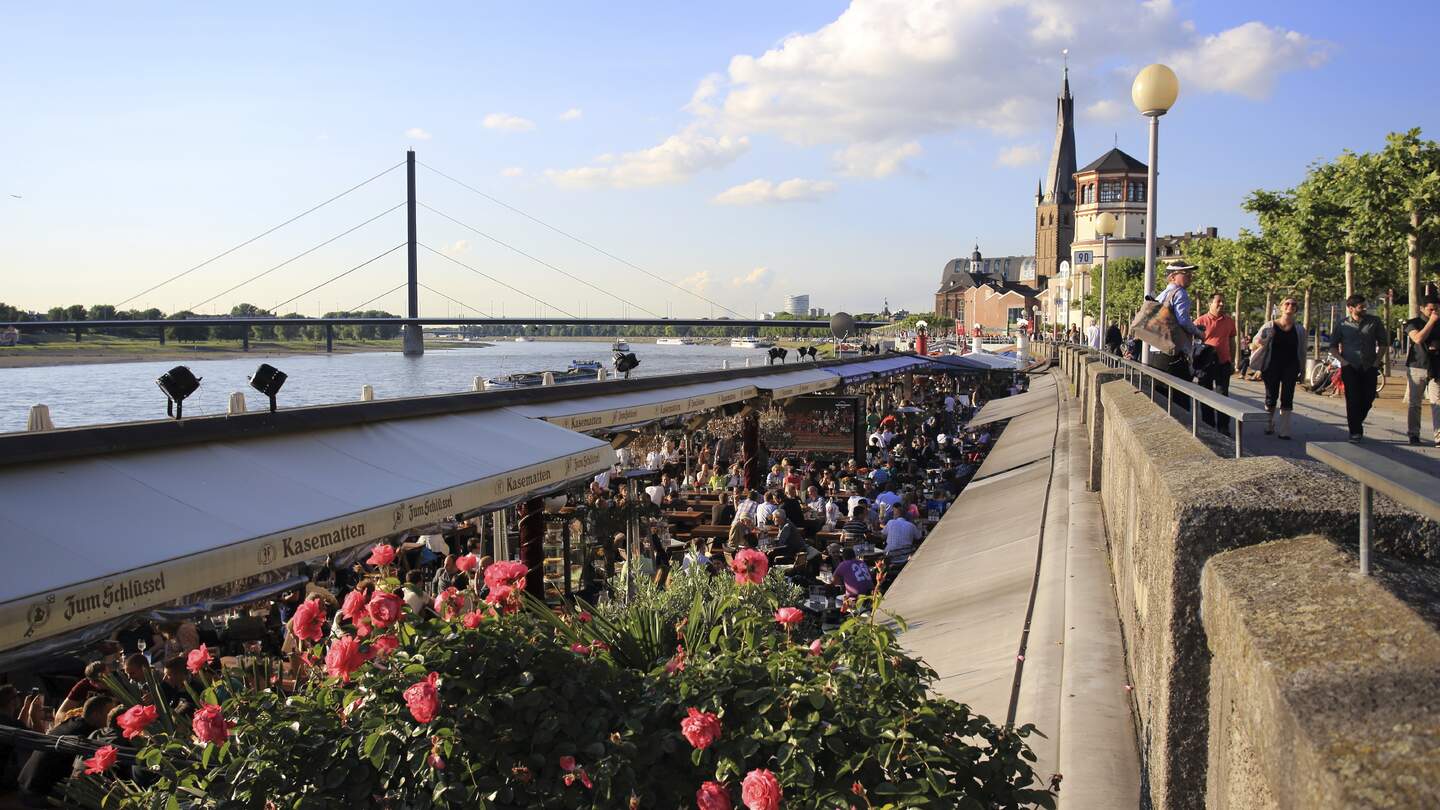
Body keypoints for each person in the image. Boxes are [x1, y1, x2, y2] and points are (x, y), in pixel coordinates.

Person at [17, 694, 116, 804]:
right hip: (40, 794)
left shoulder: (71, 722)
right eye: (109, 713)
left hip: (25, 784)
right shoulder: (86, 735)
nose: (112, 719)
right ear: (97, 714)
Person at [1331, 293, 1389, 442]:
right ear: (1350, 308)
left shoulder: (1374, 322)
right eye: (1361, 306)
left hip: (1370, 366)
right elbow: (1332, 347)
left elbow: (1383, 343)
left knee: (1368, 397)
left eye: (1365, 306)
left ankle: (1357, 421)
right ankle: (1355, 431)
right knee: (1352, 399)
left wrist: (1377, 361)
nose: (1364, 308)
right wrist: (1342, 361)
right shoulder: (1342, 324)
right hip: (1350, 366)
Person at [1148, 263, 1205, 410]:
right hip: (1174, 355)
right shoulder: (1180, 293)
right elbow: (1183, 321)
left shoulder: (1162, 295)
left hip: (1156, 353)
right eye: (1185, 273)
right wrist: (1198, 332)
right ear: (1173, 277)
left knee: (1161, 400)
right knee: (1179, 402)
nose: (1190, 276)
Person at [1249, 297, 1307, 439]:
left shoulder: (1299, 329)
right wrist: (1261, 341)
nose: (1290, 306)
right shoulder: (1269, 326)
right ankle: (1269, 424)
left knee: (1287, 396)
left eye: (1293, 304)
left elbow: (1302, 351)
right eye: (1287, 303)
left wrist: (1303, 369)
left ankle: (1285, 430)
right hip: (1272, 365)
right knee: (1271, 396)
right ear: (1281, 307)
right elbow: (1254, 343)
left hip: (1291, 366)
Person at [1193, 293, 1238, 434]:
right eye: (1218, 301)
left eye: (1223, 301)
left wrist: (1233, 361)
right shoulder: (1200, 322)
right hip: (1205, 364)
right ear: (1210, 304)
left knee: (1223, 395)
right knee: (1205, 395)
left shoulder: (1230, 321)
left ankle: (1223, 427)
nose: (1221, 304)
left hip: (1223, 362)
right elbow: (1193, 342)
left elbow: (1232, 342)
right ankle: (1208, 426)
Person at [1403, 295, 1440, 446]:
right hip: (1417, 367)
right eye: (1431, 309)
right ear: (1422, 309)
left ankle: (1438, 436)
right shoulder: (1413, 323)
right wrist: (1431, 321)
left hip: (1436, 368)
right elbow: (1417, 338)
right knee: (1414, 403)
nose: (1434, 312)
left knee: (1437, 403)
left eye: (1437, 309)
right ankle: (1413, 434)